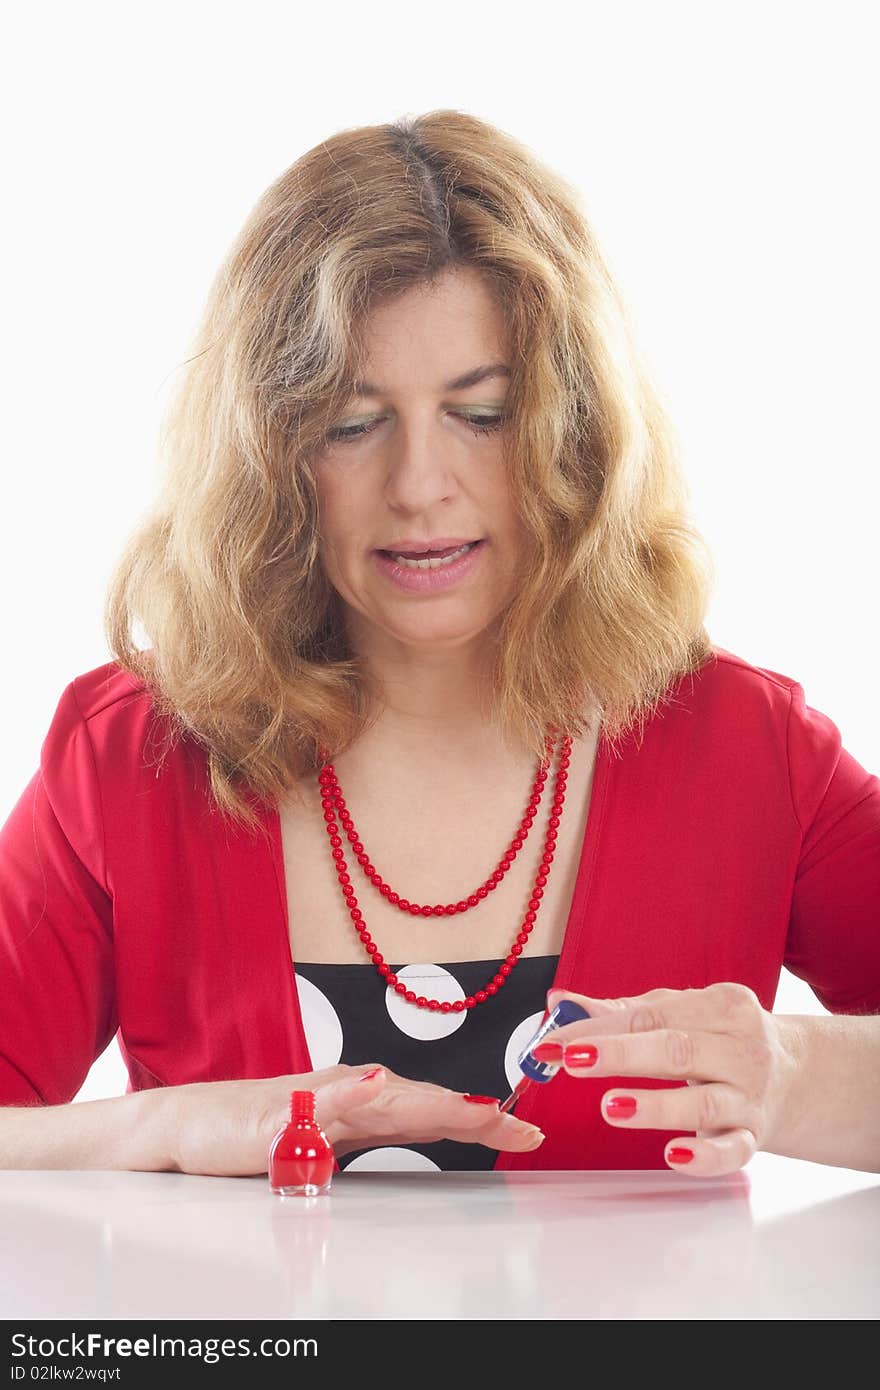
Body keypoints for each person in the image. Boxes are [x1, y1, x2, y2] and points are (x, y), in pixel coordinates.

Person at [1, 110, 878, 1181]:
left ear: (574, 433)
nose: (419, 487)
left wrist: (789, 1071)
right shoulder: (125, 755)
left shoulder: (750, 746)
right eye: (351, 422)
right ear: (268, 454)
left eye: (485, 413)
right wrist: (165, 1128)